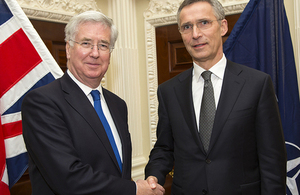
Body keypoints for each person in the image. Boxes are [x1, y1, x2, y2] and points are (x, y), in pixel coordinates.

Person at [145, 0, 287, 194]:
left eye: (204, 22)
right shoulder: (168, 91)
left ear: (222, 26)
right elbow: (164, 148)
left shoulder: (257, 84)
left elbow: (272, 160)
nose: (195, 34)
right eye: (187, 27)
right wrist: (153, 176)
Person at [22, 11, 164, 195]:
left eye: (103, 45)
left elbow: (117, 169)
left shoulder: (117, 104)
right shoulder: (42, 103)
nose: (95, 53)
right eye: (86, 43)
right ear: (68, 48)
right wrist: (134, 189)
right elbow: (68, 178)